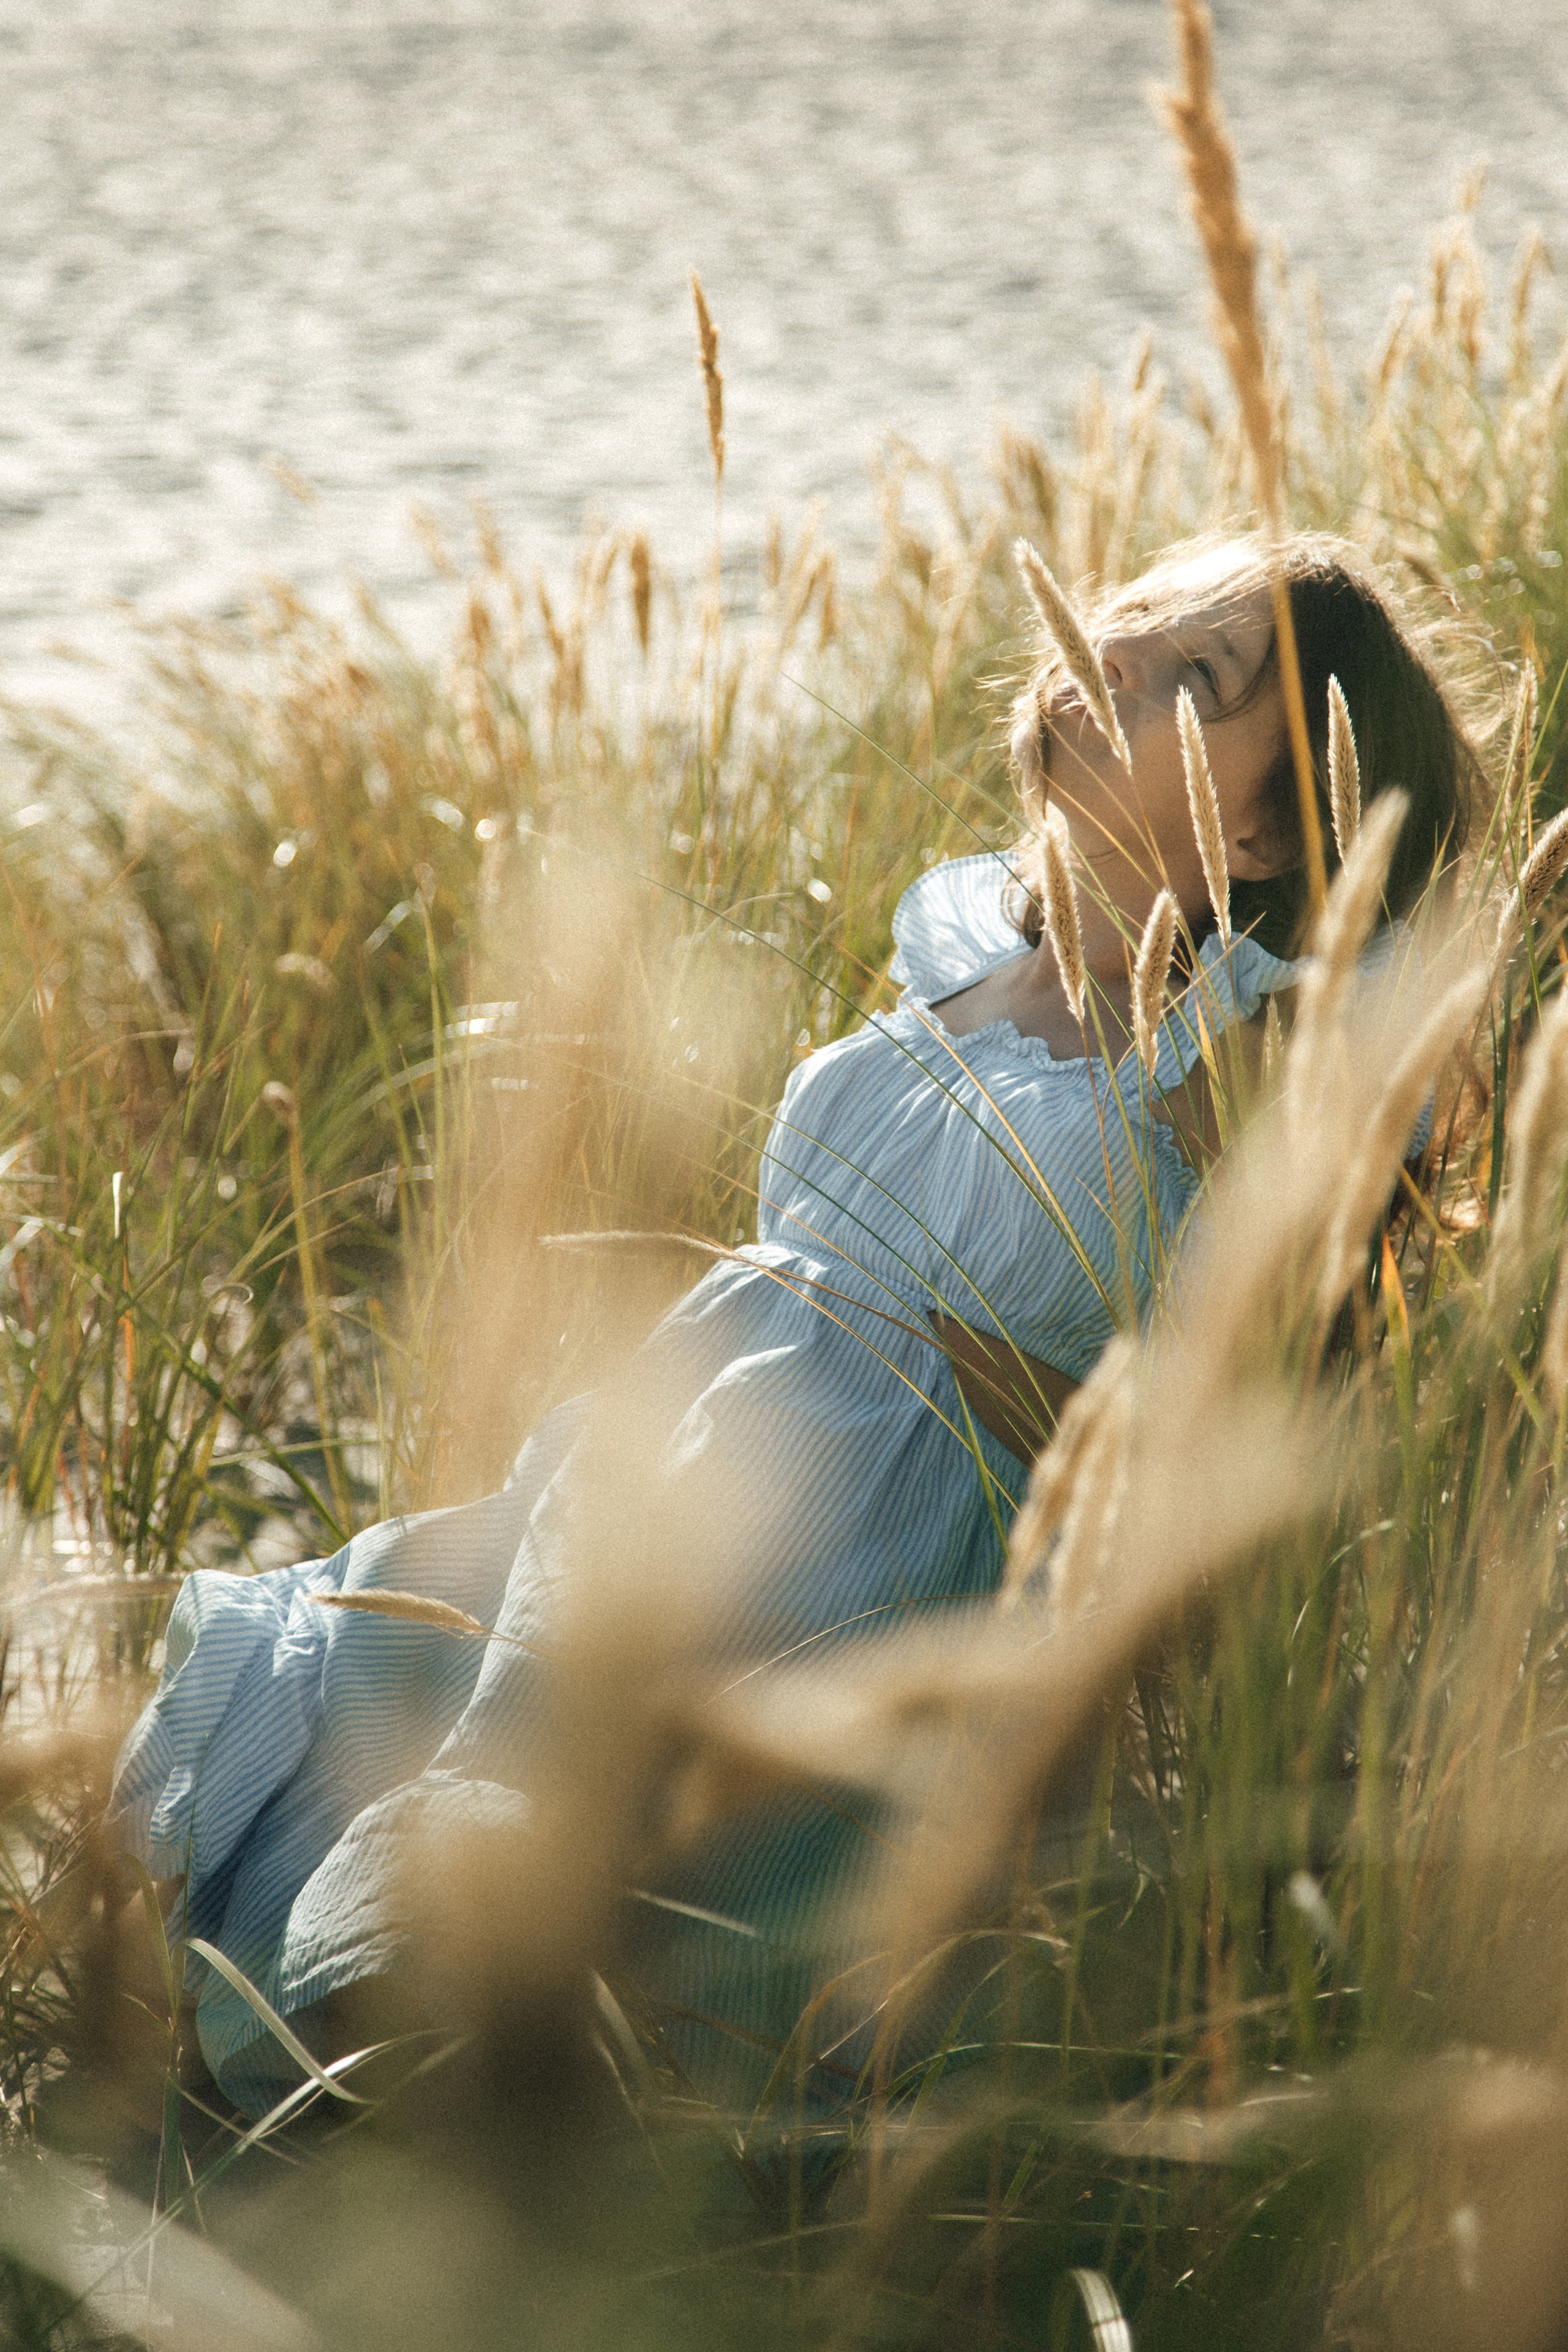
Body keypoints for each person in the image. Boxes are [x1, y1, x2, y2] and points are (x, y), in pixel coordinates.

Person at [108, 530, 1479, 2121]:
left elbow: (1235, 1388)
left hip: (853, 1582)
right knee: (285, 1735)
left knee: (495, 1933)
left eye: (1199, 672)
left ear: (1263, 820)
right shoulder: (977, 954)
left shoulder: (1247, 1048)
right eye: (1143, 614)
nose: (1115, 651)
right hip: (651, 1499)